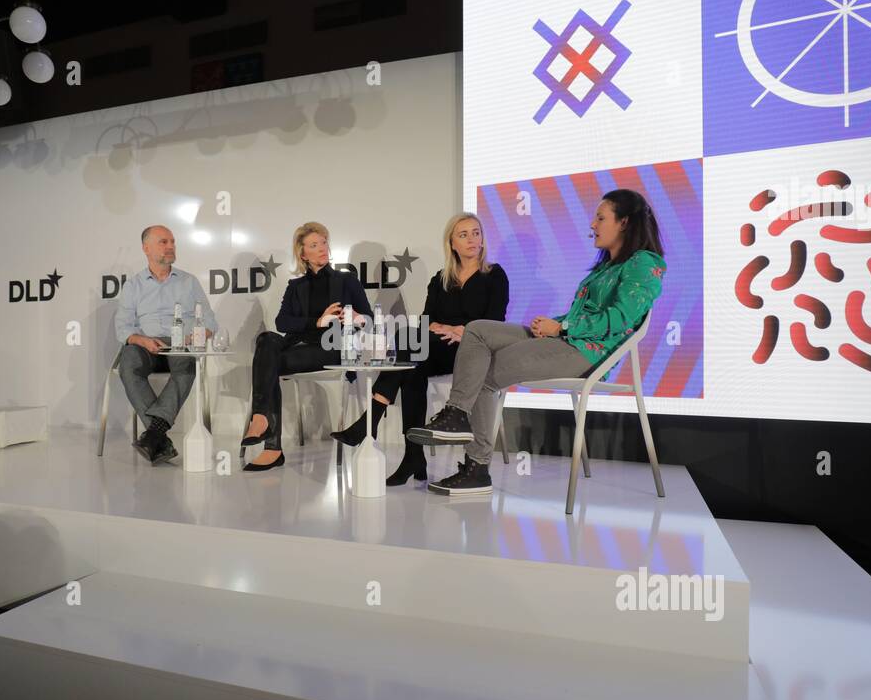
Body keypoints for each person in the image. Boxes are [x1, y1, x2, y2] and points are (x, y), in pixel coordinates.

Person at [408, 189, 666, 496]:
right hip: (569, 338)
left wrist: (563, 326)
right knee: (477, 330)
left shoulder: (644, 263)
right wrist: (554, 323)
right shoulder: (606, 266)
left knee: (488, 371)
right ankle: (456, 413)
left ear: (624, 222)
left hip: (588, 352)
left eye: (600, 218)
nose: (592, 225)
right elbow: (581, 314)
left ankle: (477, 468)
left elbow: (620, 319)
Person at [331, 212, 508, 486]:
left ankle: (373, 424)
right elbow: (427, 321)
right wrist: (443, 328)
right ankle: (413, 455)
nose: (473, 239)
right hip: (440, 349)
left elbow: (495, 321)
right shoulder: (440, 279)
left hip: (474, 353)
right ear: (452, 243)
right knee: (410, 362)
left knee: (408, 351)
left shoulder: (495, 275)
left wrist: (463, 330)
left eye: (476, 232)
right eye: (464, 234)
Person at [241, 222, 373, 471]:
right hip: (297, 346)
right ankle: (264, 425)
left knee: (267, 365)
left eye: (324, 242)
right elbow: (282, 322)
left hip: (331, 348)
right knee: (267, 338)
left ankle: (269, 440)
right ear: (303, 254)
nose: (322, 248)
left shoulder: (347, 281)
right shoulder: (296, 286)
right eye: (314, 245)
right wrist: (318, 321)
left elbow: (370, 320)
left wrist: (357, 316)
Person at [114, 224, 218, 464]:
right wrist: (142, 340)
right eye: (163, 242)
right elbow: (123, 328)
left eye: (172, 242)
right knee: (128, 362)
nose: (170, 246)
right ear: (146, 248)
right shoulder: (133, 286)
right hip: (147, 344)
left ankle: (154, 434)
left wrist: (199, 334)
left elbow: (210, 320)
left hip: (181, 342)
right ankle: (158, 436)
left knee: (186, 361)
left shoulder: (189, 282)